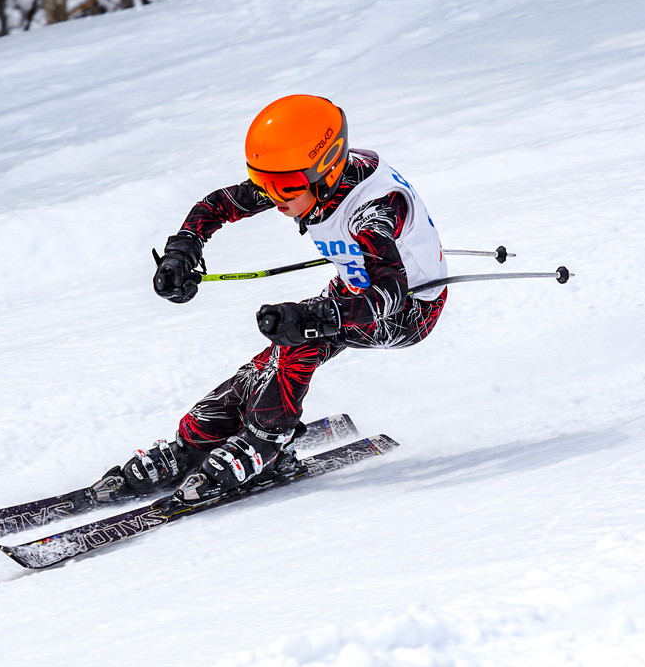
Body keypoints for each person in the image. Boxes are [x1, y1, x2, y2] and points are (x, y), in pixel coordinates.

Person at [91, 94, 448, 505]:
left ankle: (266, 442)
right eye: (265, 184)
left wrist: (319, 314)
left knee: (302, 338)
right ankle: (194, 440)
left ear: (326, 171)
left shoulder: (374, 208)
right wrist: (183, 249)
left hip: (408, 311)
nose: (275, 200)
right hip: (354, 291)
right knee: (276, 357)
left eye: (284, 188)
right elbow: (220, 204)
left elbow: (388, 294)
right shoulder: (303, 181)